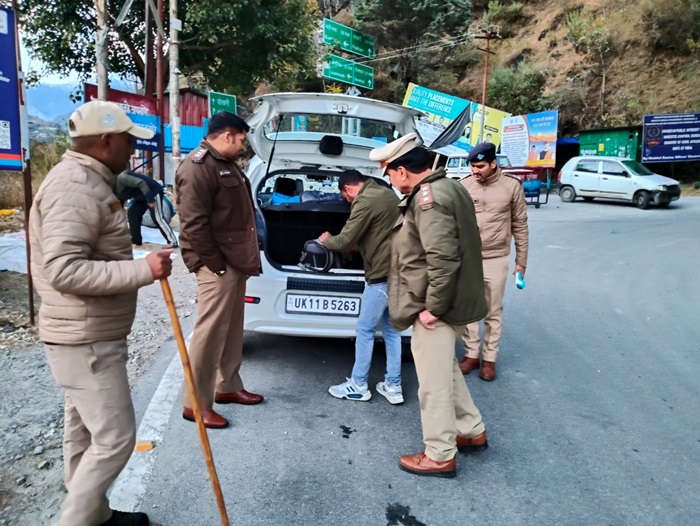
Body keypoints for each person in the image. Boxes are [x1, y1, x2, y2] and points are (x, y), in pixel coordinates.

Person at [29, 100, 173, 526]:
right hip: (84, 337)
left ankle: (94, 516)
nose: (133, 148)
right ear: (106, 141)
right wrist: (143, 269)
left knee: (84, 430)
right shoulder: (75, 186)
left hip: (86, 331)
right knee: (114, 439)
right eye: (128, 140)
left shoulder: (90, 180)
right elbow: (63, 270)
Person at [371, 133, 489, 478]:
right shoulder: (450, 187)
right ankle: (471, 430)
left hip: (439, 307)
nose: (391, 181)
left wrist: (433, 308)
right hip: (456, 300)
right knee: (445, 371)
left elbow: (443, 259)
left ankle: (439, 454)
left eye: (389, 174)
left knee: (433, 385)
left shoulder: (429, 200)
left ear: (402, 171)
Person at [175, 111, 263, 429]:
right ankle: (196, 404)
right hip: (218, 265)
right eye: (240, 140)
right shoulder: (198, 166)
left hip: (232, 261)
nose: (242, 146)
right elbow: (193, 224)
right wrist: (216, 266)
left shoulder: (224, 163)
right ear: (227, 135)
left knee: (231, 329)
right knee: (209, 334)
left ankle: (227, 386)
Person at [318, 169, 403, 405]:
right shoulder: (386, 193)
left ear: (348, 188)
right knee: (392, 331)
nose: (346, 201)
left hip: (380, 276)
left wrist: (326, 240)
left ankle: (358, 385)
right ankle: (393, 386)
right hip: (398, 272)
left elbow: (345, 240)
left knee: (365, 330)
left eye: (345, 197)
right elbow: (380, 232)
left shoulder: (364, 201)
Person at [459, 142, 529, 381]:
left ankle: (489, 359)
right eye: (472, 166)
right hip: (468, 258)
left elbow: (520, 225)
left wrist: (521, 261)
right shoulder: (464, 186)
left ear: (493, 164)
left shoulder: (511, 186)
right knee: (469, 309)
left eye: (480, 166)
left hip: (496, 257)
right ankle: (471, 355)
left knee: (493, 311)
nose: (475, 171)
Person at [115, 170, 178, 247]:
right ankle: (136, 239)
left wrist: (150, 200)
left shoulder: (121, 178)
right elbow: (119, 201)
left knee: (157, 218)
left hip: (153, 192)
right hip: (141, 196)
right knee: (132, 213)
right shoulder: (109, 189)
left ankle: (173, 242)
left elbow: (142, 183)